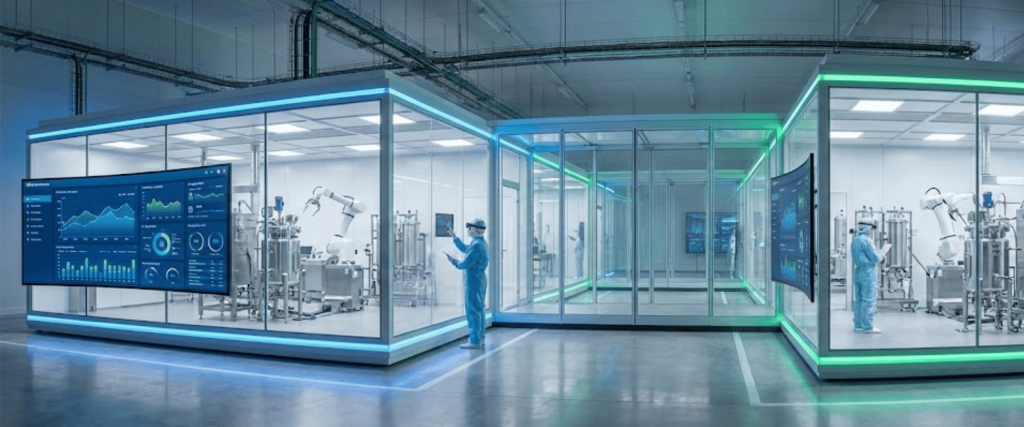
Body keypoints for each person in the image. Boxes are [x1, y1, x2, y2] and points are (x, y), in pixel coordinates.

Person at [447, 219, 489, 349]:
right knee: (479, 309)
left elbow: (465, 264)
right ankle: (480, 337)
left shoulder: (476, 245)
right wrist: (455, 238)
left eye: (470, 228)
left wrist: (453, 261)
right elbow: (467, 249)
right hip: (480, 279)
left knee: (472, 310)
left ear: (476, 229)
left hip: (473, 281)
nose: (468, 231)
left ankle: (474, 341)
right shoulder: (480, 243)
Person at [851, 219, 885, 334]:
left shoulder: (855, 240)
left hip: (858, 271)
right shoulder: (867, 241)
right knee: (869, 299)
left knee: (859, 299)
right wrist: (882, 254)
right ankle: (868, 326)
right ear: (868, 228)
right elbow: (875, 258)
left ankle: (858, 325)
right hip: (868, 272)